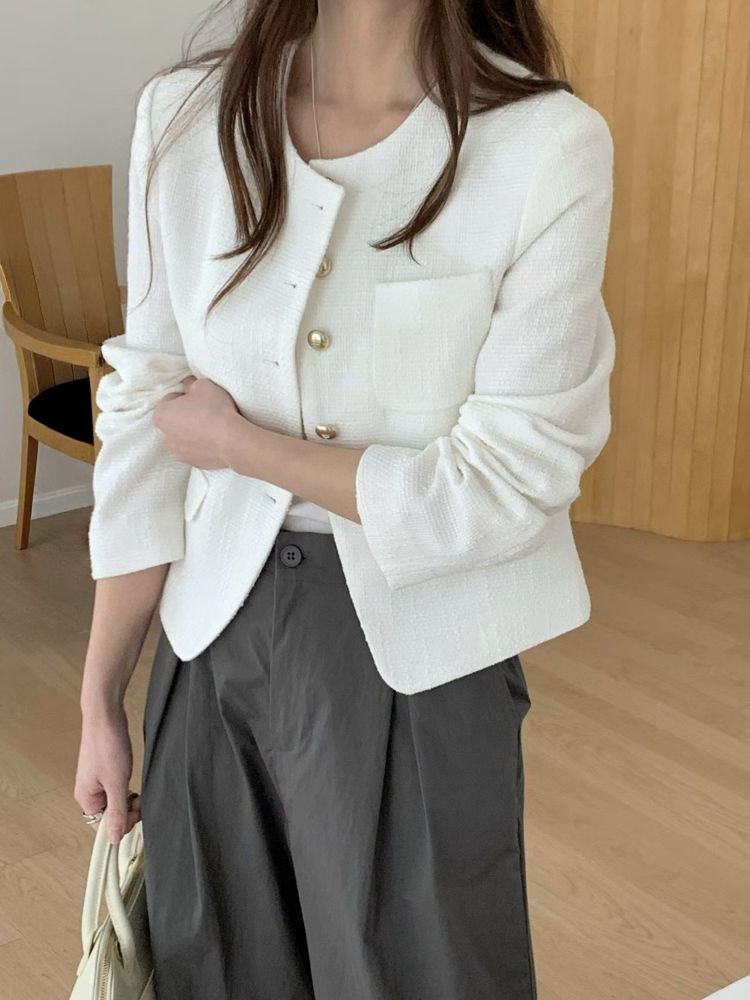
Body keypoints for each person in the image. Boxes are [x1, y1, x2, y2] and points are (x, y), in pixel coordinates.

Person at [75, 1, 616, 997]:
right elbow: (147, 407)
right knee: (218, 967)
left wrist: (243, 447)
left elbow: (512, 480)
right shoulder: (186, 119)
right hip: (211, 638)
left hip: (423, 651)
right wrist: (100, 691)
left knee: (422, 973)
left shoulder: (545, 145)